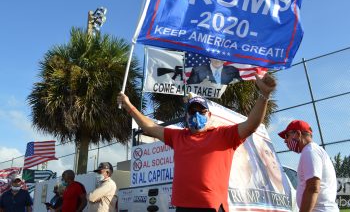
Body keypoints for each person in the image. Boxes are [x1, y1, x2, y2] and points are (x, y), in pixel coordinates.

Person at [118, 73, 276, 212]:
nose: (197, 114)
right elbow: (150, 127)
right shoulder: (178, 136)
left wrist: (263, 96)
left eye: (201, 111)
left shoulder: (224, 135)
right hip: (182, 207)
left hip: (211, 207)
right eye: (192, 111)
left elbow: (251, 125)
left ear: (209, 115)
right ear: (186, 116)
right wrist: (128, 105)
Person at [278, 120, 339, 212]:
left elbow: (313, 187)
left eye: (287, 136)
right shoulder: (314, 150)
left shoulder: (310, 151)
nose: (285, 141)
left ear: (298, 134)